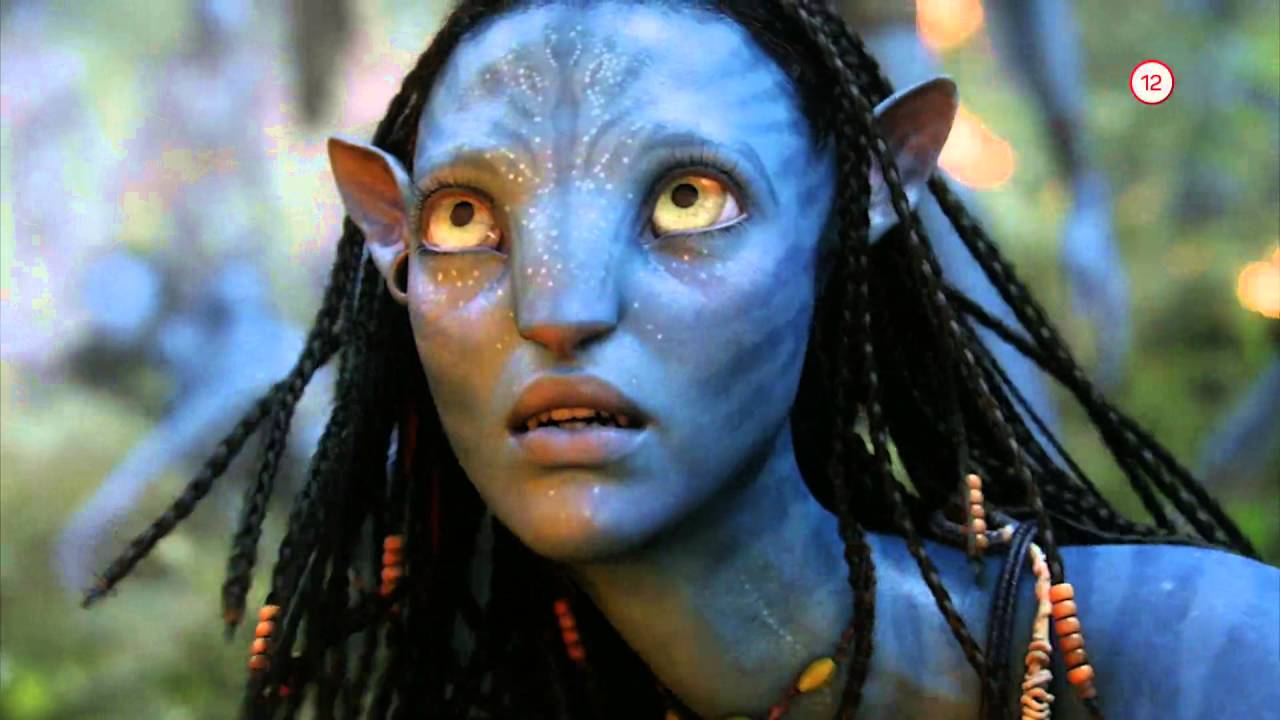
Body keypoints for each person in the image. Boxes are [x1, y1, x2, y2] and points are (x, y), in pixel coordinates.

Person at [83, 2, 1278, 719]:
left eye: (685, 200)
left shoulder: (1203, 661)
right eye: (464, 219)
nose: (559, 310)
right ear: (388, 241)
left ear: (865, 194)